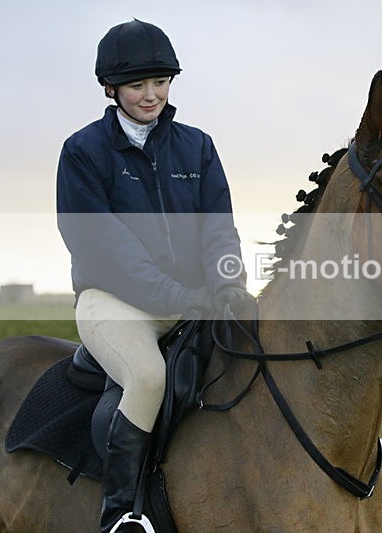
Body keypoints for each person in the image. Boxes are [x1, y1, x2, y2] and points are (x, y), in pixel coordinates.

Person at [56, 19, 255, 532]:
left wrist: (230, 284)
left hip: (194, 299)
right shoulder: (82, 152)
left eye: (161, 82)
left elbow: (218, 228)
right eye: (139, 85)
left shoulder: (198, 146)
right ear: (111, 88)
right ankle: (120, 514)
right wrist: (179, 295)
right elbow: (101, 246)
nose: (152, 95)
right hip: (115, 303)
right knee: (147, 378)